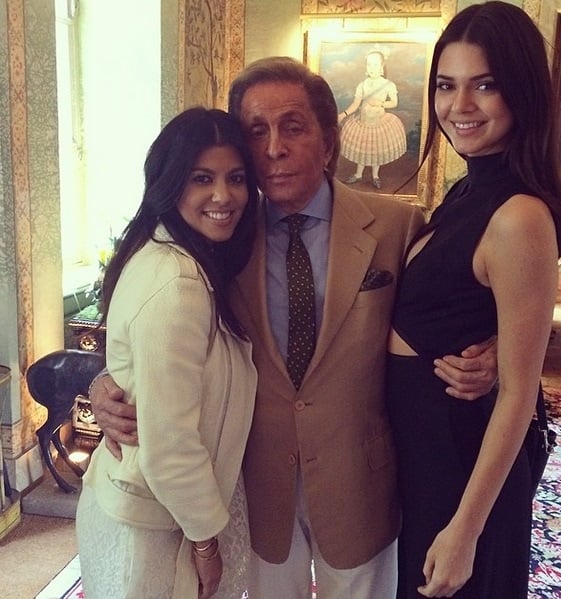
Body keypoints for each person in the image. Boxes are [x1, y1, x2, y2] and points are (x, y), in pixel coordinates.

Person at [89, 57, 498, 598]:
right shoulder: (220, 236)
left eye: (293, 127)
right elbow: (160, 324)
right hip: (257, 486)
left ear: (329, 141)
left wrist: (496, 355)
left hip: (361, 480)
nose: (274, 148)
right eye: (256, 131)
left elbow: (465, 312)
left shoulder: (398, 227)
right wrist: (105, 381)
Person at [385, 3, 561, 597]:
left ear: (521, 92)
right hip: (428, 459)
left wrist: (466, 530)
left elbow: (521, 393)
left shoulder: (519, 214)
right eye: (446, 85)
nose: (459, 106)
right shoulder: (467, 188)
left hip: (462, 470)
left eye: (484, 86)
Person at [75, 107, 259, 599]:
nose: (223, 196)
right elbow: (170, 444)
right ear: (170, 182)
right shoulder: (178, 282)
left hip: (157, 510)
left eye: (236, 178)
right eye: (203, 178)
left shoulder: (179, 255)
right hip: (160, 526)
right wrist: (205, 544)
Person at [338, 49, 407, 190]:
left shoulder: (388, 85)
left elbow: (394, 103)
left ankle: (375, 176)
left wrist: (380, 103)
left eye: (375, 65)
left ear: (382, 67)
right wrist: (343, 115)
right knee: (363, 149)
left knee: (376, 150)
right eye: (369, 64)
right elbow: (356, 104)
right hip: (362, 123)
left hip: (379, 123)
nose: (372, 68)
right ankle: (358, 174)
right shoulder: (362, 85)